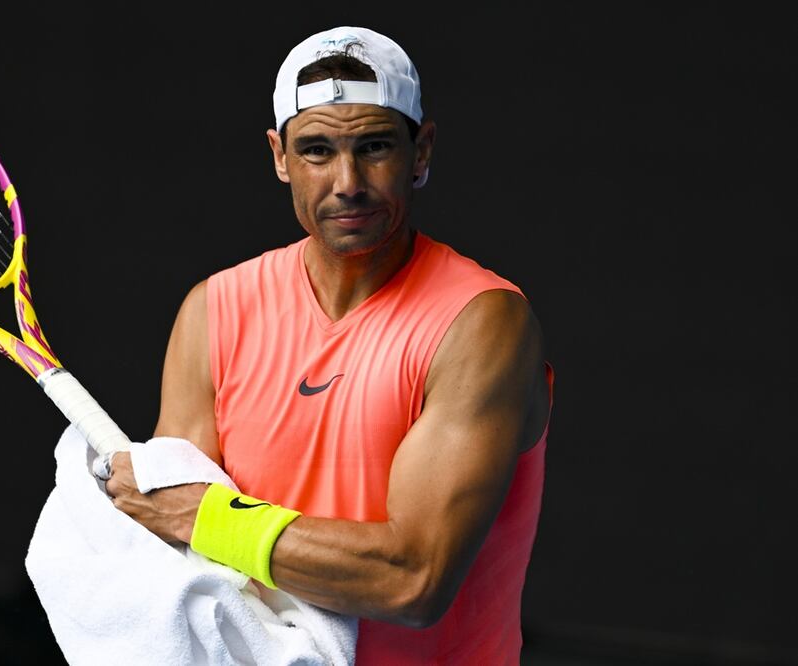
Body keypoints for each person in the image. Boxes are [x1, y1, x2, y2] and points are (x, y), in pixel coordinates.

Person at [103, 25, 553, 664]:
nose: (347, 182)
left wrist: (205, 517)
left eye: (374, 147)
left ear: (420, 151)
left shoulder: (481, 323)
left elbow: (414, 579)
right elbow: (179, 561)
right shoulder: (215, 310)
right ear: (279, 156)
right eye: (316, 150)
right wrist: (172, 519)